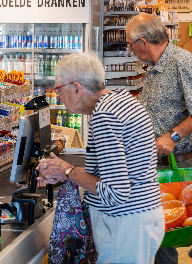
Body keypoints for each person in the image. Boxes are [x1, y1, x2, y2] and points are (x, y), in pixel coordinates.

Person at [36, 53, 165, 263]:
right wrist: (67, 176)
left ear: (77, 88)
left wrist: (69, 171)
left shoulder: (105, 116)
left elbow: (115, 192)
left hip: (125, 224)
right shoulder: (119, 101)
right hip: (139, 219)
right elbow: (114, 176)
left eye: (58, 89)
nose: (57, 95)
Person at [126, 14, 192, 264]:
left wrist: (174, 136)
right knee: (161, 231)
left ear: (143, 41)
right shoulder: (155, 67)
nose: (130, 50)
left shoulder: (182, 62)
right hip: (159, 164)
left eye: (130, 44)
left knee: (177, 226)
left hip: (181, 166)